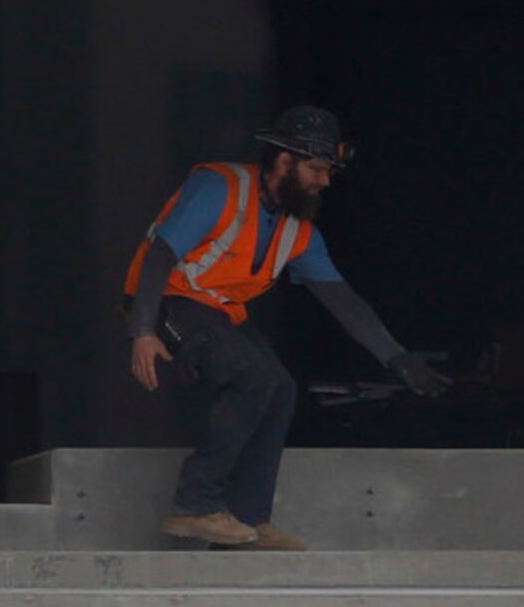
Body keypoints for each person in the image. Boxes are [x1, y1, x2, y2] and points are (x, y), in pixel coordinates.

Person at [124, 105, 446, 550]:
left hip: (215, 312)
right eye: (316, 169)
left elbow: (341, 298)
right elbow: (160, 255)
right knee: (252, 376)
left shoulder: (299, 231)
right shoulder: (219, 188)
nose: (324, 182)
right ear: (284, 161)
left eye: (329, 171)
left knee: (280, 388)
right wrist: (142, 331)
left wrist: (397, 357)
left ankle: (248, 519)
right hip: (166, 302)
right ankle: (194, 505)